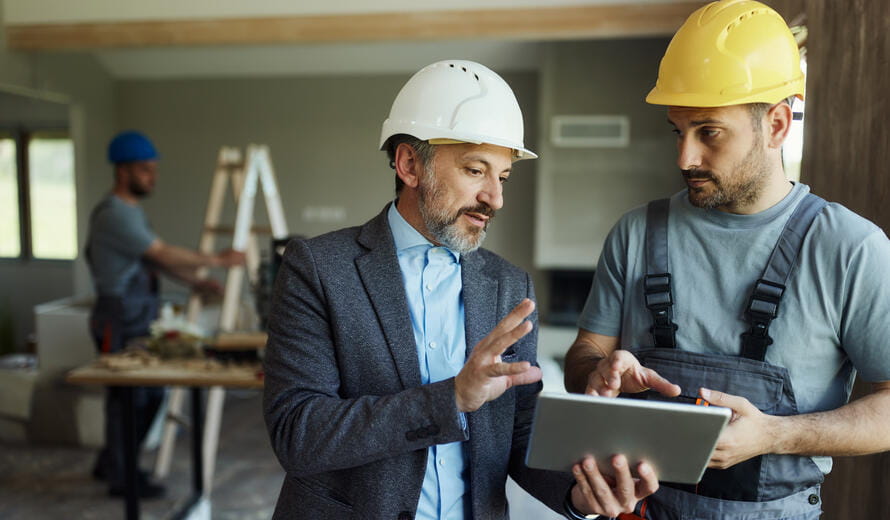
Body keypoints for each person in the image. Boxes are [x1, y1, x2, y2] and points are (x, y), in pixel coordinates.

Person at [263, 60, 658, 519]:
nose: (496, 198)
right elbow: (298, 433)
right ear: (409, 164)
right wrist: (450, 399)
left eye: (503, 177)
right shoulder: (318, 268)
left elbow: (518, 429)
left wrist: (578, 493)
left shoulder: (510, 285)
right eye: (476, 171)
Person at [563, 1, 890, 518]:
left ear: (778, 125)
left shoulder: (851, 249)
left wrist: (776, 434)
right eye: (678, 131)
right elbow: (583, 354)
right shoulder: (635, 234)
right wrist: (596, 373)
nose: (684, 158)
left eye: (709, 132)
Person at [86, 130, 244, 498]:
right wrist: (217, 261)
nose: (152, 177)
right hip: (117, 316)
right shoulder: (113, 214)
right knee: (129, 397)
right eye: (145, 169)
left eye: (154, 169)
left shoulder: (132, 212)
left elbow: (152, 262)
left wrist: (196, 282)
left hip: (137, 313)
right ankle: (122, 477)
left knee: (142, 395)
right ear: (122, 171)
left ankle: (112, 461)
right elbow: (162, 253)